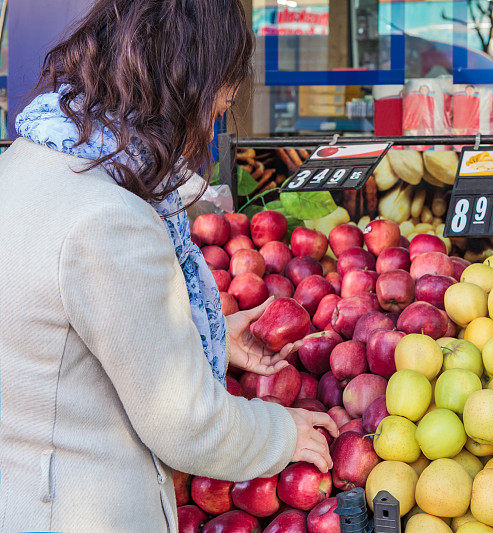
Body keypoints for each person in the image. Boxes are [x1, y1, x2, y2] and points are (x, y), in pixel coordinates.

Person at [0, 1, 336, 531]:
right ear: (184, 92)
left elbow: (62, 346)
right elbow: (187, 424)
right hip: (73, 510)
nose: (209, 132)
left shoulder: (28, 161)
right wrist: (282, 434)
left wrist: (213, 337)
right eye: (216, 108)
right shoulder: (110, 218)